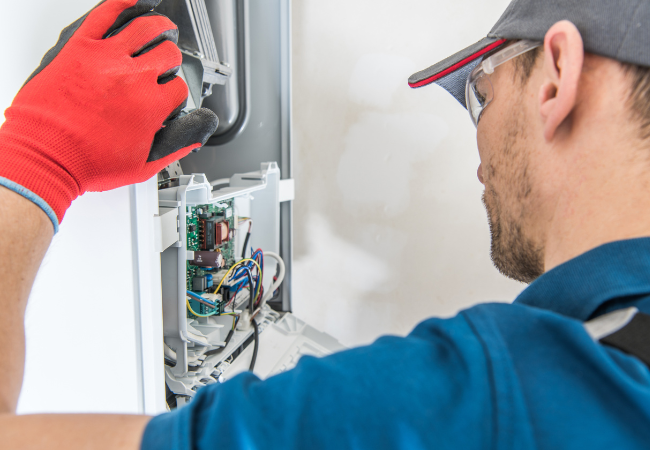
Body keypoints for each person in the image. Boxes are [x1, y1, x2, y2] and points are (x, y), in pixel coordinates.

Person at [1, 0, 650, 447]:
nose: (477, 140)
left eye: (481, 90)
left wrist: (36, 160)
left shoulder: (489, 404)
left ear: (556, 77)